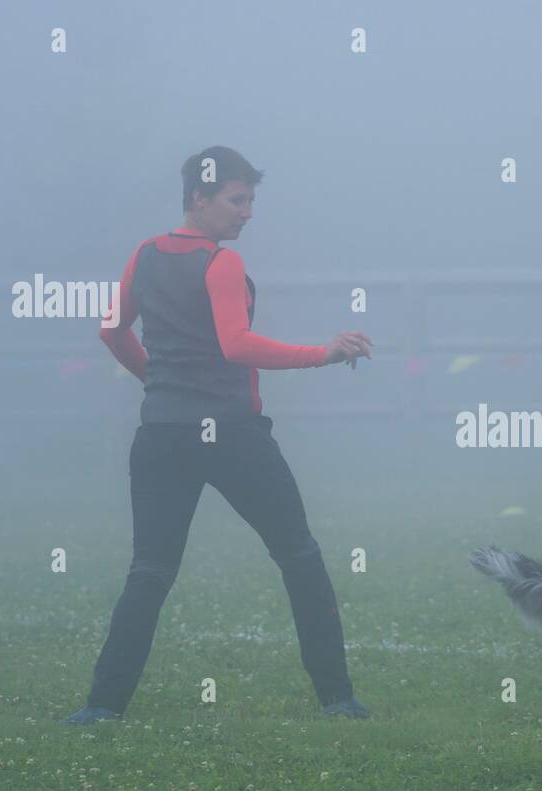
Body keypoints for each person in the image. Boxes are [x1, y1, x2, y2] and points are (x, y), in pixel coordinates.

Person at [62, 146, 373, 725]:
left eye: (251, 200)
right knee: (300, 556)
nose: (248, 212)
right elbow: (235, 345)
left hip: (161, 435)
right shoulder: (221, 263)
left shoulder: (144, 254)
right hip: (231, 434)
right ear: (199, 198)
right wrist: (322, 354)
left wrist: (159, 384)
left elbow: (111, 331)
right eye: (237, 199)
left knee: (149, 571)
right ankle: (338, 700)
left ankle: (101, 708)